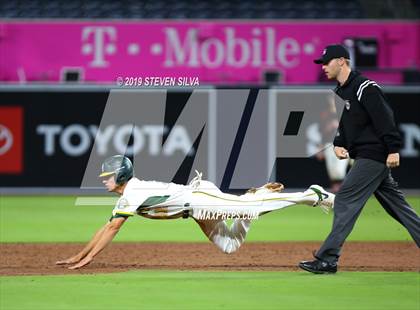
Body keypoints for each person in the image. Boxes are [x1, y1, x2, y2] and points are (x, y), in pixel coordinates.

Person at [57, 155, 335, 270]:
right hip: (195, 209)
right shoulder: (128, 194)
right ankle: (254, 197)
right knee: (229, 245)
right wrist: (80, 254)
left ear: (121, 176)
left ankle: (311, 195)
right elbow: (107, 226)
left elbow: (113, 229)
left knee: (253, 209)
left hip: (199, 199)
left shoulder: (132, 193)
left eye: (108, 176)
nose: (104, 179)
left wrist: (89, 258)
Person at [299, 44, 420, 274]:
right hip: (367, 154)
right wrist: (338, 143)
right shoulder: (340, 91)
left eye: (327, 62)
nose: (323, 67)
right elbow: (346, 125)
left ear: (342, 61)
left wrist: (393, 148)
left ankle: (328, 259)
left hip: (374, 154)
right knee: (399, 208)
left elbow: (385, 117)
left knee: (344, 199)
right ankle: (328, 258)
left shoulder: (365, 87)